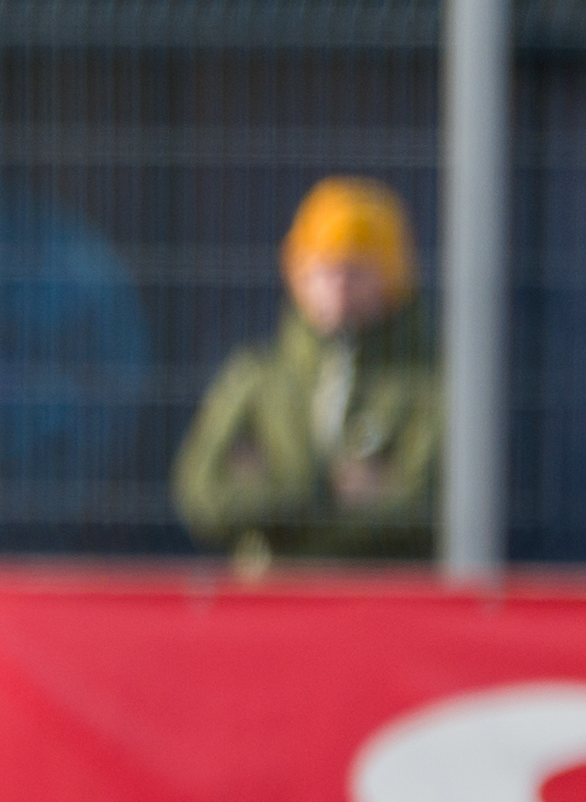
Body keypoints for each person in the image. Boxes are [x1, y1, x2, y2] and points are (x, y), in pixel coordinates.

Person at [175, 176, 445, 570]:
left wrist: (271, 505)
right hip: (270, 603)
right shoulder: (256, 377)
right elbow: (201, 494)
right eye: (323, 269)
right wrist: (319, 495)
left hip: (379, 606)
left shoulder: (426, 386)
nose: (338, 285)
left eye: (357, 270)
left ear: (393, 277)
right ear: (296, 274)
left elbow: (424, 509)